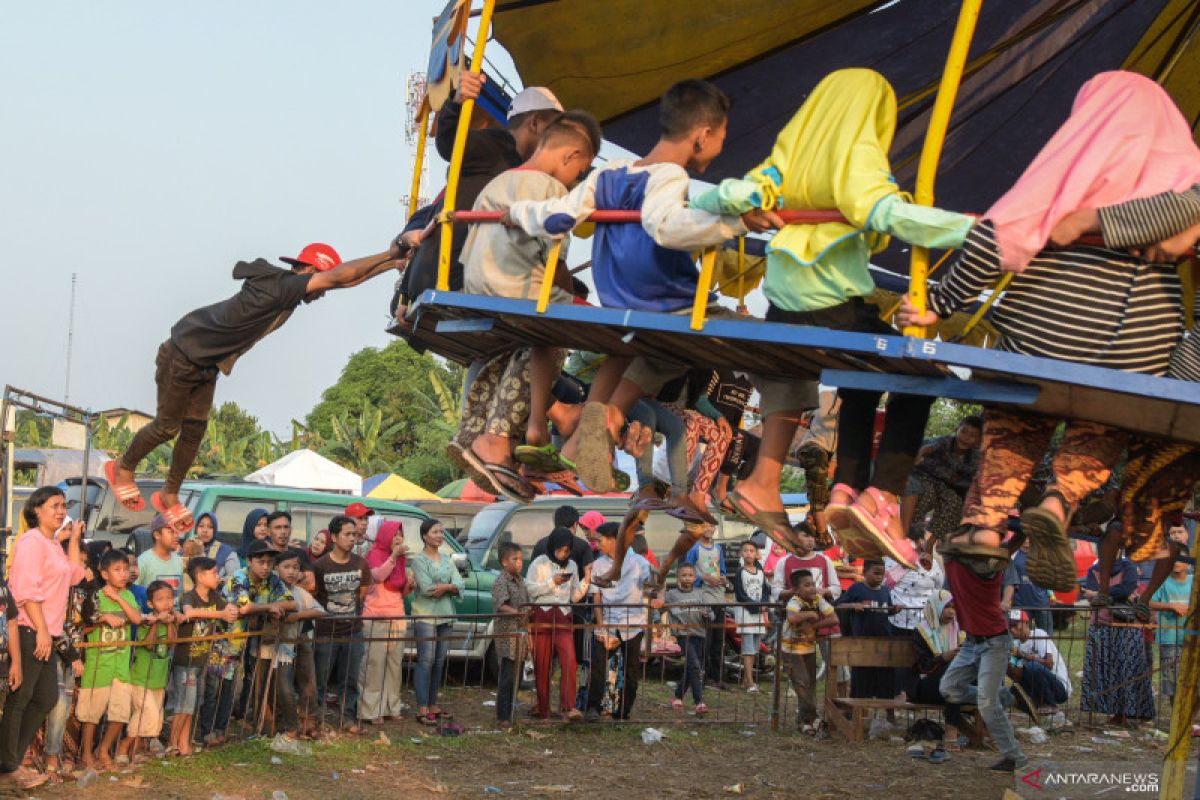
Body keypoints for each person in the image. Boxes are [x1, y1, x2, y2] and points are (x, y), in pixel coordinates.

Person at [901, 72, 1200, 589]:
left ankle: (986, 526)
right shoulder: (1189, 176)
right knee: (1106, 419)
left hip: (1042, 328)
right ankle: (1059, 503)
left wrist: (941, 303)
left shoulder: (1072, 161)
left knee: (1017, 412)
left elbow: (999, 234)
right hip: (1134, 343)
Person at [698, 69, 975, 566]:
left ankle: (846, 489)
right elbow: (881, 213)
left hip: (782, 311)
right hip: (834, 312)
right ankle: (883, 496)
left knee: (862, 381)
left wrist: (741, 207)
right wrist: (978, 231)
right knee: (921, 378)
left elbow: (724, 193)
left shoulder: (791, 151)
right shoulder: (858, 152)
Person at [503, 78, 769, 501]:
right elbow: (667, 226)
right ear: (703, 135)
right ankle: (762, 479)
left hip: (622, 303)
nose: (720, 146)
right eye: (721, 137)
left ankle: (599, 422)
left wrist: (517, 213)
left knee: (659, 355)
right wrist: (735, 223)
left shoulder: (606, 174)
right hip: (673, 303)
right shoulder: (669, 176)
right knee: (767, 351)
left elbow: (559, 216)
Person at [107, 242, 405, 532]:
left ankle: (170, 492)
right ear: (311, 271)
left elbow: (343, 281)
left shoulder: (288, 291)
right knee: (167, 427)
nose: (324, 294)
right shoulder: (285, 284)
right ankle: (123, 467)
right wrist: (389, 252)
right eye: (322, 286)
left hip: (205, 364)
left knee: (195, 430)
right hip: (182, 354)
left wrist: (391, 264)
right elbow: (341, 277)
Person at [451, 112, 603, 496]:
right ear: (570, 157)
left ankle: (475, 430)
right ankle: (519, 434)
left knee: (509, 349)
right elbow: (556, 263)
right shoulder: (552, 190)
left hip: (477, 285)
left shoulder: (498, 182)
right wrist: (573, 300)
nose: (577, 180)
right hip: (517, 289)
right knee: (567, 329)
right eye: (581, 171)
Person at [396, 71, 565, 309]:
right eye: (556, 133)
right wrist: (456, 102)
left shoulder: (533, 174)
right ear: (535, 124)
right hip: (454, 274)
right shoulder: (499, 146)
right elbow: (449, 144)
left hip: (460, 272)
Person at [0, 488, 84, 789]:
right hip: (30, 629)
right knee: (20, 697)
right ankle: (7, 767)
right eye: (54, 506)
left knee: (46, 697)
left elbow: (75, 575)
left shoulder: (52, 544)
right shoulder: (31, 542)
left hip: (47, 631)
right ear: (37, 510)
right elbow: (24, 590)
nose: (61, 511)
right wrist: (42, 631)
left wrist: (73, 539)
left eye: (64, 506)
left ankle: (9, 760)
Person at [938, 530, 1028, 773]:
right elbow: (942, 541)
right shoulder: (953, 564)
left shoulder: (989, 568)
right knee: (949, 688)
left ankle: (1014, 756)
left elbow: (1006, 551)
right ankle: (1006, 696)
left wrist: (1020, 534)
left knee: (987, 704)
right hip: (971, 642)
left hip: (995, 642)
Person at [208, 540, 294, 744]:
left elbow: (291, 602)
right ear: (249, 561)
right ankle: (210, 730)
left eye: (269, 562)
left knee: (243, 683)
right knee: (219, 687)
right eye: (261, 562)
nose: (266, 567)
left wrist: (270, 606)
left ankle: (226, 727)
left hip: (250, 641)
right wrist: (270, 608)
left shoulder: (272, 580)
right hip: (226, 640)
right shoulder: (239, 578)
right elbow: (244, 607)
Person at [77, 549, 141, 772]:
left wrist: (118, 599)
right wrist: (104, 616)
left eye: (126, 569)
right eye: (117, 570)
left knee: (120, 713)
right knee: (91, 714)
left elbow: (136, 618)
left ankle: (103, 750)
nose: (123, 574)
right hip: (98, 666)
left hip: (121, 667)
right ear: (104, 574)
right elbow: (85, 625)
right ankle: (86, 754)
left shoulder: (129, 595)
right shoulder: (95, 596)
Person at [586, 523, 653, 721]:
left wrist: (656, 593)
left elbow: (654, 584)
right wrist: (600, 625)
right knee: (598, 665)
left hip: (633, 624)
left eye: (600, 540)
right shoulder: (598, 564)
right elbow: (596, 597)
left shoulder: (639, 562)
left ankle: (623, 711)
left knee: (631, 671)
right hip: (608, 623)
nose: (596, 544)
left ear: (615, 539)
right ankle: (592, 708)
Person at [171, 557, 238, 756]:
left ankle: (184, 743)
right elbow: (190, 613)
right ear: (201, 576)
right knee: (184, 704)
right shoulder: (189, 596)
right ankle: (173, 743)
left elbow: (227, 608)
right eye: (214, 573)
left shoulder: (215, 596)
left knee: (192, 704)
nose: (218, 577)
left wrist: (232, 610)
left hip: (201, 659)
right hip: (186, 660)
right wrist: (221, 615)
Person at [311, 515, 371, 733]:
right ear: (334, 537)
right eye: (347, 534)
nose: (352, 539)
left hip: (353, 631)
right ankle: (315, 720)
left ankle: (348, 719)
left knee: (350, 679)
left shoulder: (361, 564)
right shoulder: (320, 565)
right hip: (326, 631)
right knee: (321, 679)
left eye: (354, 534)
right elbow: (314, 596)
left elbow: (362, 595)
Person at [1081, 548, 1154, 725]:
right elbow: (1090, 593)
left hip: (1127, 624)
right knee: (1104, 669)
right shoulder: (1094, 569)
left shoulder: (1128, 566)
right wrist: (1103, 595)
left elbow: (1126, 589)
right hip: (1100, 624)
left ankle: (1138, 712)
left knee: (1129, 667)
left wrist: (1101, 594)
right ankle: (1115, 713)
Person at [526, 527, 590, 720]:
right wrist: (552, 582)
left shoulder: (571, 565)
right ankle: (544, 709)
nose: (563, 554)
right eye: (559, 550)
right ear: (552, 546)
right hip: (543, 613)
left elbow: (575, 595)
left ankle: (568, 707)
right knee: (542, 663)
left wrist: (587, 579)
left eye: (567, 550)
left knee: (570, 661)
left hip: (563, 615)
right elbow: (529, 589)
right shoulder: (539, 563)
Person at [259, 550, 324, 739]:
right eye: (286, 567)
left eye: (296, 568)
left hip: (287, 648)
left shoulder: (299, 592)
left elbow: (320, 611)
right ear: (276, 568)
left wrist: (298, 616)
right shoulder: (268, 589)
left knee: (288, 688)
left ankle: (295, 726)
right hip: (266, 647)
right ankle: (274, 724)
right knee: (269, 689)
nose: (292, 572)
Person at [410, 519, 464, 725]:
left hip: (445, 614)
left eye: (442, 532)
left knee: (440, 661)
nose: (440, 535)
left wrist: (447, 587)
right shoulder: (419, 561)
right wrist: (449, 586)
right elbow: (427, 589)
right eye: (435, 532)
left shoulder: (447, 559)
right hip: (425, 615)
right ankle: (422, 706)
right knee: (426, 660)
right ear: (425, 536)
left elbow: (460, 583)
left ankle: (433, 703)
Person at [358, 521, 410, 725]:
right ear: (385, 535)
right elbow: (378, 576)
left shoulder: (402, 560)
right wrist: (394, 557)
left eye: (400, 535)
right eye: (394, 534)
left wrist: (409, 585)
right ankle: (371, 710)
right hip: (375, 615)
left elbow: (401, 589)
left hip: (397, 615)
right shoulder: (374, 555)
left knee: (394, 665)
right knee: (374, 664)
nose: (398, 538)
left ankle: (392, 706)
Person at [119, 581, 175, 764]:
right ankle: (124, 746)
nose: (166, 603)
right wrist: (156, 622)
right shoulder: (146, 622)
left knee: (148, 716)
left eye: (169, 598)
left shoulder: (171, 621)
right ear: (150, 604)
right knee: (148, 713)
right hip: (141, 678)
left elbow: (171, 642)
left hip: (158, 679)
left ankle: (131, 750)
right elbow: (149, 644)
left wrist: (167, 623)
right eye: (160, 600)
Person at [901, 417, 983, 538]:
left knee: (954, 503)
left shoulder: (976, 457)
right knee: (928, 493)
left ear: (978, 441)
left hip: (946, 485)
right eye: (963, 431)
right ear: (957, 430)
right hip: (926, 476)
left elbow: (976, 477)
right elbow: (930, 447)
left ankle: (928, 548)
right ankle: (907, 528)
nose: (965, 437)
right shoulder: (946, 441)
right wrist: (920, 454)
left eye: (972, 435)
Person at [885, 539, 944, 697]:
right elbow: (886, 583)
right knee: (900, 662)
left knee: (922, 662)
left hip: (926, 623)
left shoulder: (933, 563)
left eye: (921, 540)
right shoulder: (894, 560)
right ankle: (899, 696)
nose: (919, 544)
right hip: (900, 621)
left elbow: (939, 585)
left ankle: (916, 695)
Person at [782, 570, 837, 733]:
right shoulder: (795, 600)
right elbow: (792, 617)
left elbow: (834, 619)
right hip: (791, 649)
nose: (812, 588)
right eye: (807, 585)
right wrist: (810, 614)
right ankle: (812, 718)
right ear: (796, 590)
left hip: (809, 648)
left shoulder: (819, 599)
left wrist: (812, 626)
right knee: (802, 683)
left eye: (813, 584)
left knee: (810, 684)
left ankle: (804, 721)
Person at [910, 589, 964, 751]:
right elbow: (922, 667)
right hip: (928, 687)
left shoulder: (960, 631)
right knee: (953, 673)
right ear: (935, 607)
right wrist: (943, 658)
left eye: (954, 607)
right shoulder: (921, 631)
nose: (951, 612)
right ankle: (951, 734)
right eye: (947, 607)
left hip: (955, 685)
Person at [682, 522, 730, 689]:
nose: (709, 529)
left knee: (719, 640)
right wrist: (703, 578)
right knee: (704, 640)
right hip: (703, 598)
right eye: (705, 526)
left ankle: (716, 677)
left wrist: (723, 578)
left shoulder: (718, 549)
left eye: (712, 526)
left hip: (719, 598)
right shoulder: (694, 549)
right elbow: (685, 573)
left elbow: (722, 570)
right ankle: (700, 676)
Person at [838, 560, 894, 700]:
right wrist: (853, 605)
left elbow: (889, 610)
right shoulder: (856, 588)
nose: (879, 577)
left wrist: (895, 609)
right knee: (861, 676)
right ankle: (858, 710)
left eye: (882, 574)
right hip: (861, 640)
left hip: (882, 639)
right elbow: (839, 605)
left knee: (883, 676)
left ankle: (887, 711)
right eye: (875, 573)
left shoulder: (885, 591)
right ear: (864, 572)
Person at [491, 542, 531, 729]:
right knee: (507, 675)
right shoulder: (502, 580)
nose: (519, 563)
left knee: (517, 674)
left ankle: (511, 710)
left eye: (521, 559)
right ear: (504, 562)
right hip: (507, 633)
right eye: (514, 559)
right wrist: (517, 612)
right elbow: (500, 605)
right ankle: (502, 715)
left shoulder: (521, 580)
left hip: (520, 632)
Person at [666, 563, 711, 715]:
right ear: (678, 577)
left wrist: (707, 614)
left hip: (700, 632)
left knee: (691, 667)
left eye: (690, 575)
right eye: (683, 575)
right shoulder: (672, 594)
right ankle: (699, 702)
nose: (687, 578)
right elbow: (666, 610)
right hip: (683, 634)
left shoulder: (700, 594)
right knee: (695, 666)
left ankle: (678, 696)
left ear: (695, 577)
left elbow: (710, 613)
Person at [1007, 611, 1070, 715]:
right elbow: (1018, 677)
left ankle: (1049, 704)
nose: (1012, 630)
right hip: (1038, 687)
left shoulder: (1038, 634)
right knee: (1013, 691)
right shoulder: (1015, 643)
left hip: (1058, 688)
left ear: (1026, 623)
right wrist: (1007, 663)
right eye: (1010, 627)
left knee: (1032, 666)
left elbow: (1049, 664)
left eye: (1015, 625)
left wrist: (1022, 654)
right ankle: (1037, 702)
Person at [1150, 559, 1192, 711]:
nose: (1176, 563)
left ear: (1189, 563)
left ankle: (1190, 717)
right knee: (1172, 681)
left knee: (1195, 679)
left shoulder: (1195, 581)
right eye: (1173, 559)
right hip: (1169, 638)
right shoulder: (1163, 582)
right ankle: (1177, 716)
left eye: (1181, 559)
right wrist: (1171, 605)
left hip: (1193, 638)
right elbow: (1149, 601)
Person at [729, 541, 768, 692]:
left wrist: (764, 604)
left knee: (756, 647)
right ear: (741, 554)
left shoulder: (760, 570)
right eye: (745, 550)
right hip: (746, 613)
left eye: (752, 550)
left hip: (758, 613)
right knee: (747, 648)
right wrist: (755, 606)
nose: (748, 553)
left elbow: (765, 590)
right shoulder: (740, 572)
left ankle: (746, 679)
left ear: (756, 553)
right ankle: (750, 682)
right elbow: (740, 594)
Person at [1003, 541, 1052, 634]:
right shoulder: (1013, 554)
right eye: (1024, 537)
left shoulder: (1042, 553)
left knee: (1047, 638)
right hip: (1020, 605)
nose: (1027, 540)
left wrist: (1050, 593)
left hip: (1041, 603)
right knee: (1020, 637)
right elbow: (1010, 580)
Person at [138, 513, 185, 601]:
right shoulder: (143, 561)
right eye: (171, 532)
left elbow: (181, 594)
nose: (176, 536)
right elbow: (132, 592)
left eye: (177, 532)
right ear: (157, 535)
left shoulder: (179, 561)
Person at [193, 512, 240, 581]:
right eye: (201, 526)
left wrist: (217, 581)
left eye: (210, 527)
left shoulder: (226, 552)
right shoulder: (188, 549)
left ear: (215, 530)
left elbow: (236, 580)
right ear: (196, 528)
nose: (205, 530)